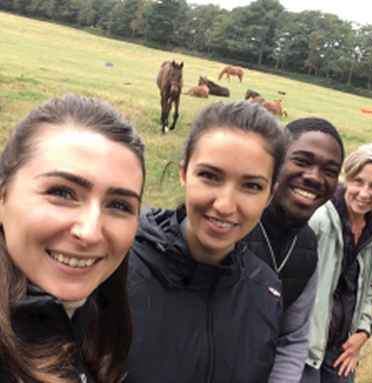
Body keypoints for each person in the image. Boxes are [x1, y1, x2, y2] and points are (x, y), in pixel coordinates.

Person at [126, 101, 287, 383]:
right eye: (210, 176)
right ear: (183, 173)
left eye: (251, 186)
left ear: (270, 195)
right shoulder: (117, 269)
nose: (225, 205)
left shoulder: (265, 292)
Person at [0, 94, 145, 383]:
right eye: (62, 193)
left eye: (119, 205)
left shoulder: (98, 323)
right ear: (3, 198)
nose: (90, 232)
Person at [245, 117, 345, 383]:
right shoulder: (234, 222)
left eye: (330, 170)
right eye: (301, 161)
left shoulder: (308, 247)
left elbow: (292, 338)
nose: (314, 177)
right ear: (275, 161)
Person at [303, 142, 372, 383]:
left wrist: (364, 330)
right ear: (347, 178)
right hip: (305, 346)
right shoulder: (318, 221)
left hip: (342, 348)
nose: (364, 193)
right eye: (358, 181)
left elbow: (366, 288)